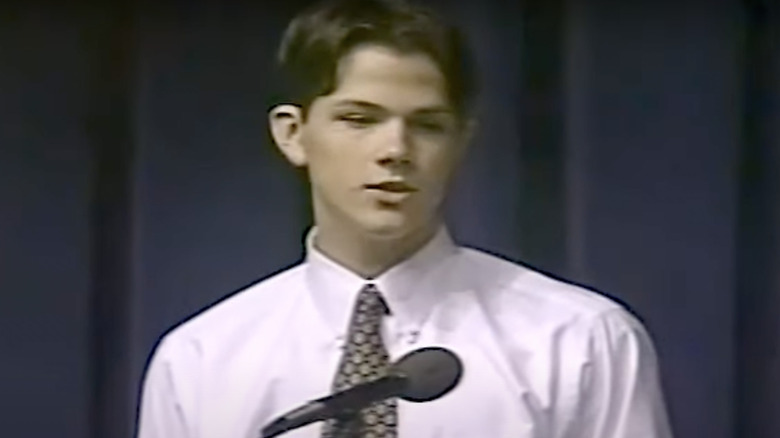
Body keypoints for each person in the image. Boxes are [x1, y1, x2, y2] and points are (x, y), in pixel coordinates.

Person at [136, 0, 674, 437]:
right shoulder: (202, 359)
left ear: (463, 140)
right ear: (292, 134)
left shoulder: (580, 342)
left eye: (428, 125)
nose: (395, 149)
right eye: (359, 119)